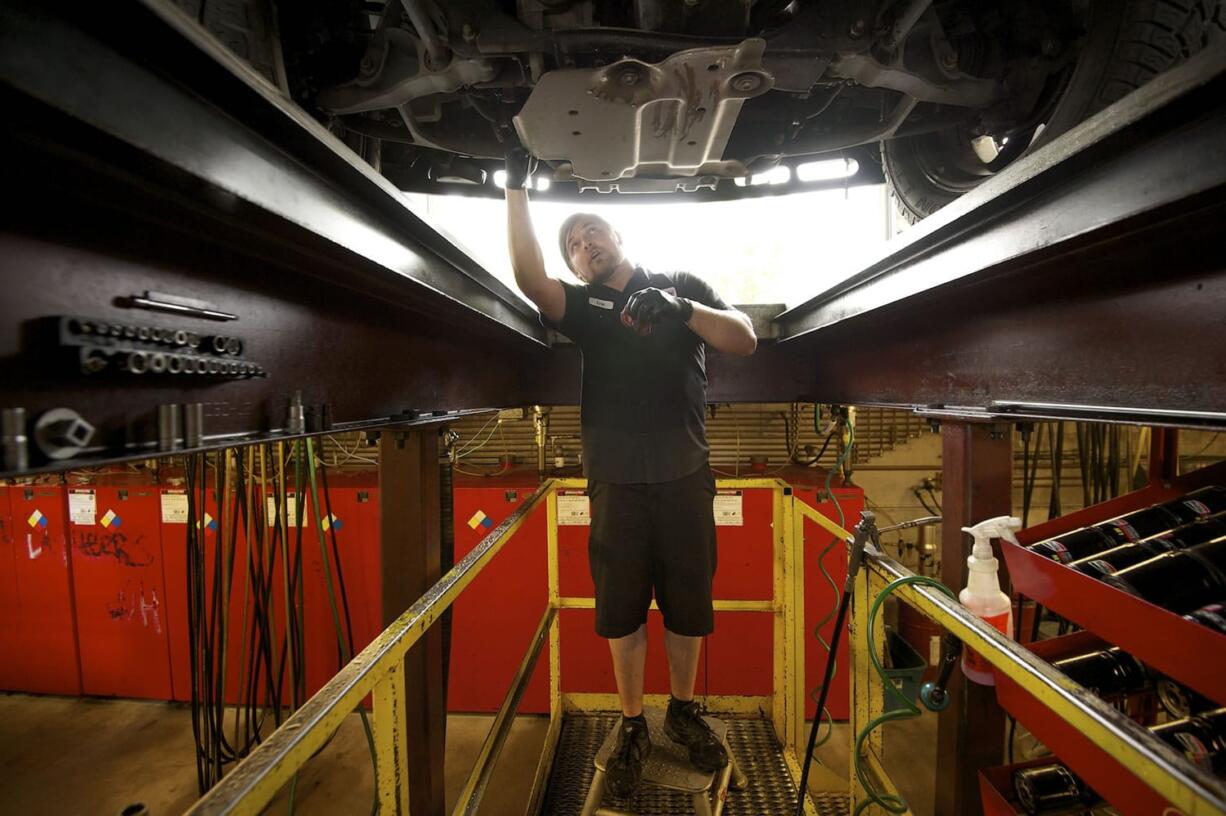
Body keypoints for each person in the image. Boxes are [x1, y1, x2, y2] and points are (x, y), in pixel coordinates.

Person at [504, 149, 757, 798]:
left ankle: (682, 710)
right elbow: (531, 279)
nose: (584, 243)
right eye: (573, 243)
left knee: (688, 607)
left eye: (592, 231)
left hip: (684, 473)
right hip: (616, 480)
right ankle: (633, 722)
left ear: (620, 237)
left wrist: (677, 307)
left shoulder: (679, 284)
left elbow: (743, 339)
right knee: (621, 613)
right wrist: (515, 189)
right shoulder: (585, 308)